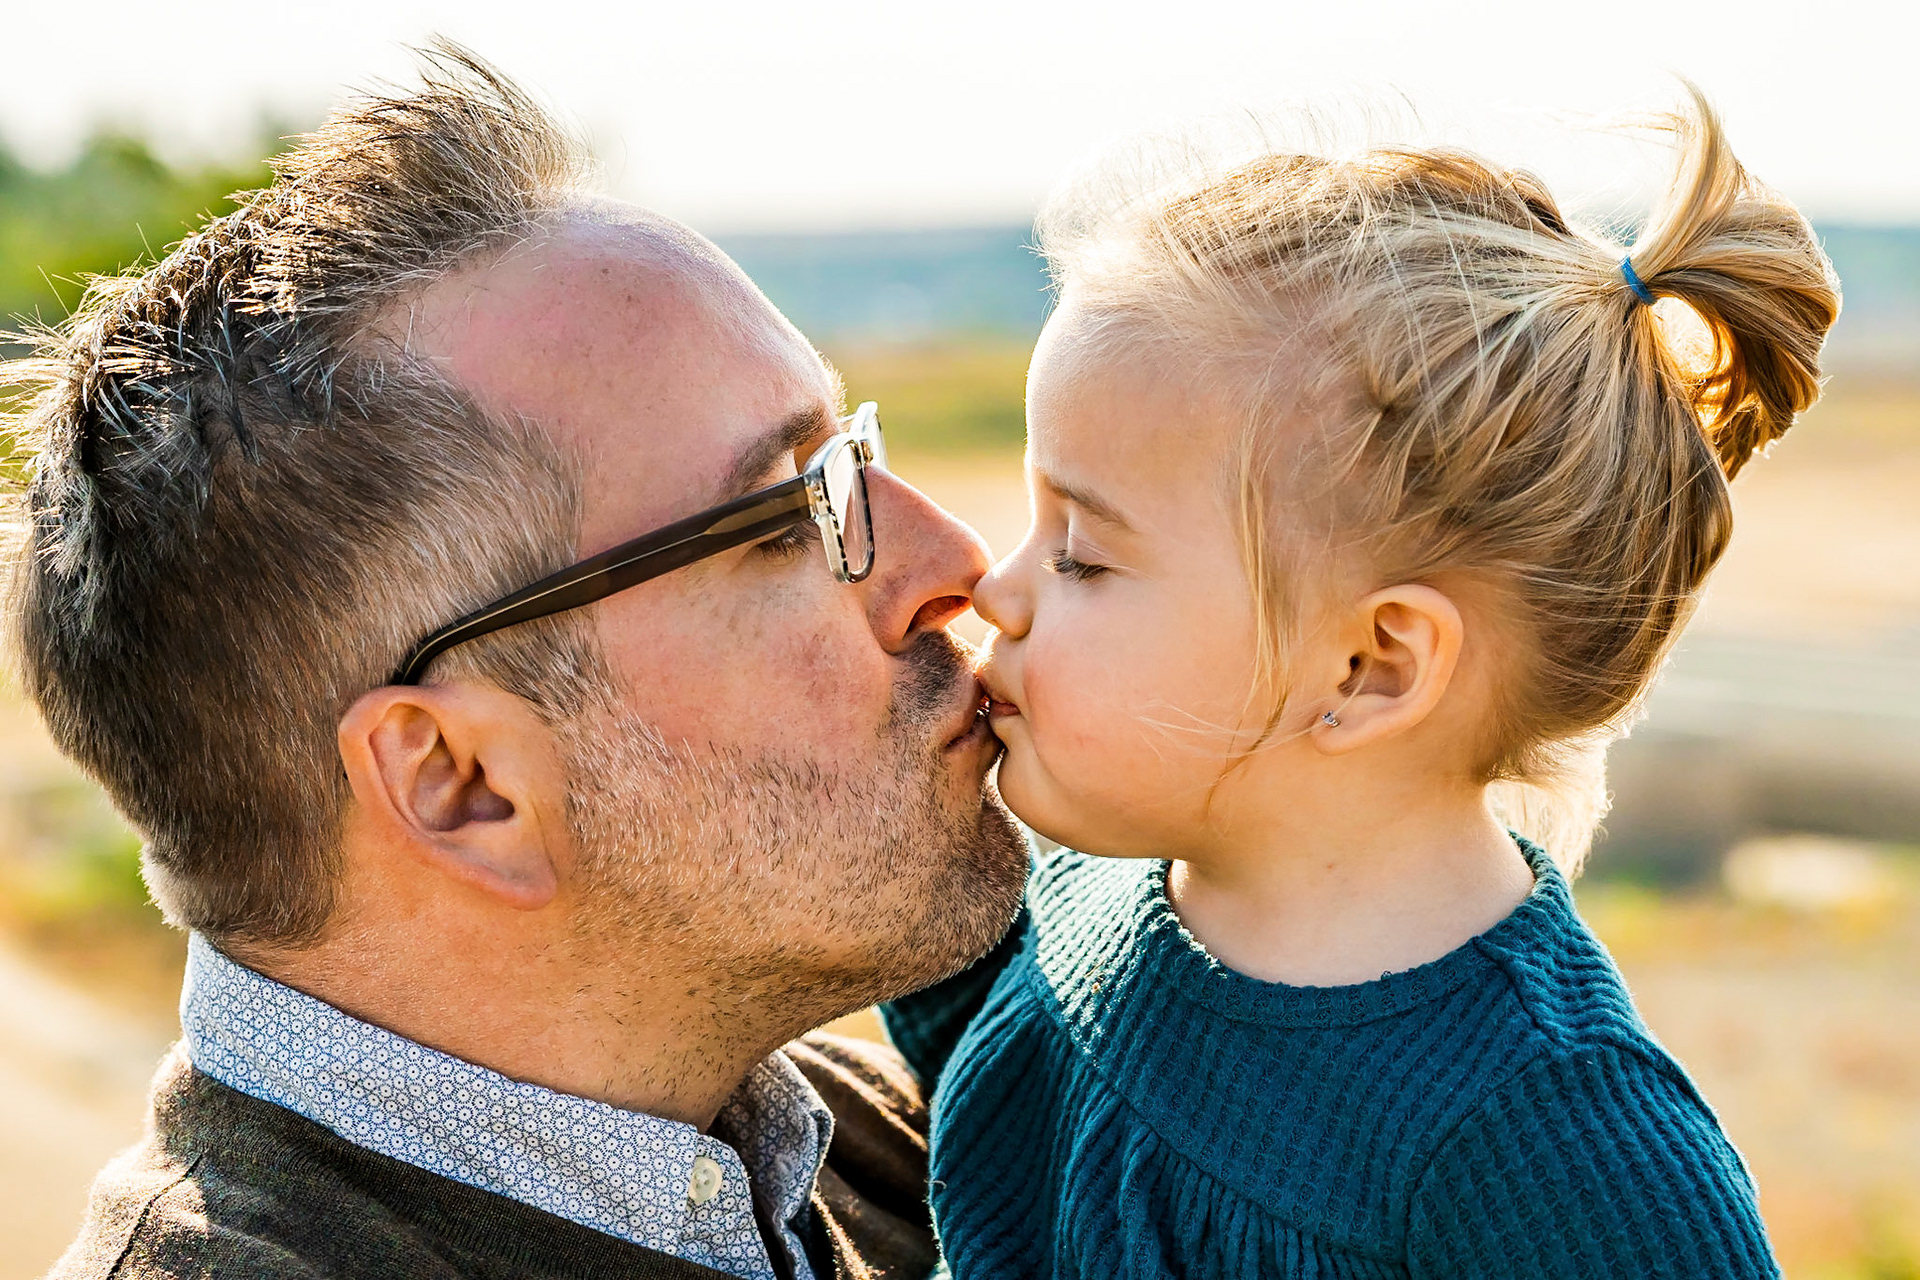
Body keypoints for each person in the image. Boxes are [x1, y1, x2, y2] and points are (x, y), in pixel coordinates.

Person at [8, 47, 1029, 1280]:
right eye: (791, 513)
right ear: (462, 783)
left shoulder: (933, 1147)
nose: (956, 560)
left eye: (854, 460)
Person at [882, 87, 1838, 1277]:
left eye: (1082, 552)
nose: (998, 588)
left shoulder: (1560, 1149)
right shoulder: (1074, 889)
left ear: (1371, 666)